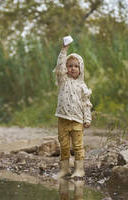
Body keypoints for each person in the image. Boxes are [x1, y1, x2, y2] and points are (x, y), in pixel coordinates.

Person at [53, 40, 92, 178]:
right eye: (70, 66)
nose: (73, 68)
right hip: (62, 118)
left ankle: (79, 169)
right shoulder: (62, 80)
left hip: (77, 120)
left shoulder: (82, 86)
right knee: (63, 145)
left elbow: (86, 104)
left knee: (77, 146)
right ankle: (65, 169)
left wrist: (87, 118)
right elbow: (59, 68)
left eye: (76, 66)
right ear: (66, 68)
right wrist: (64, 50)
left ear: (80, 68)